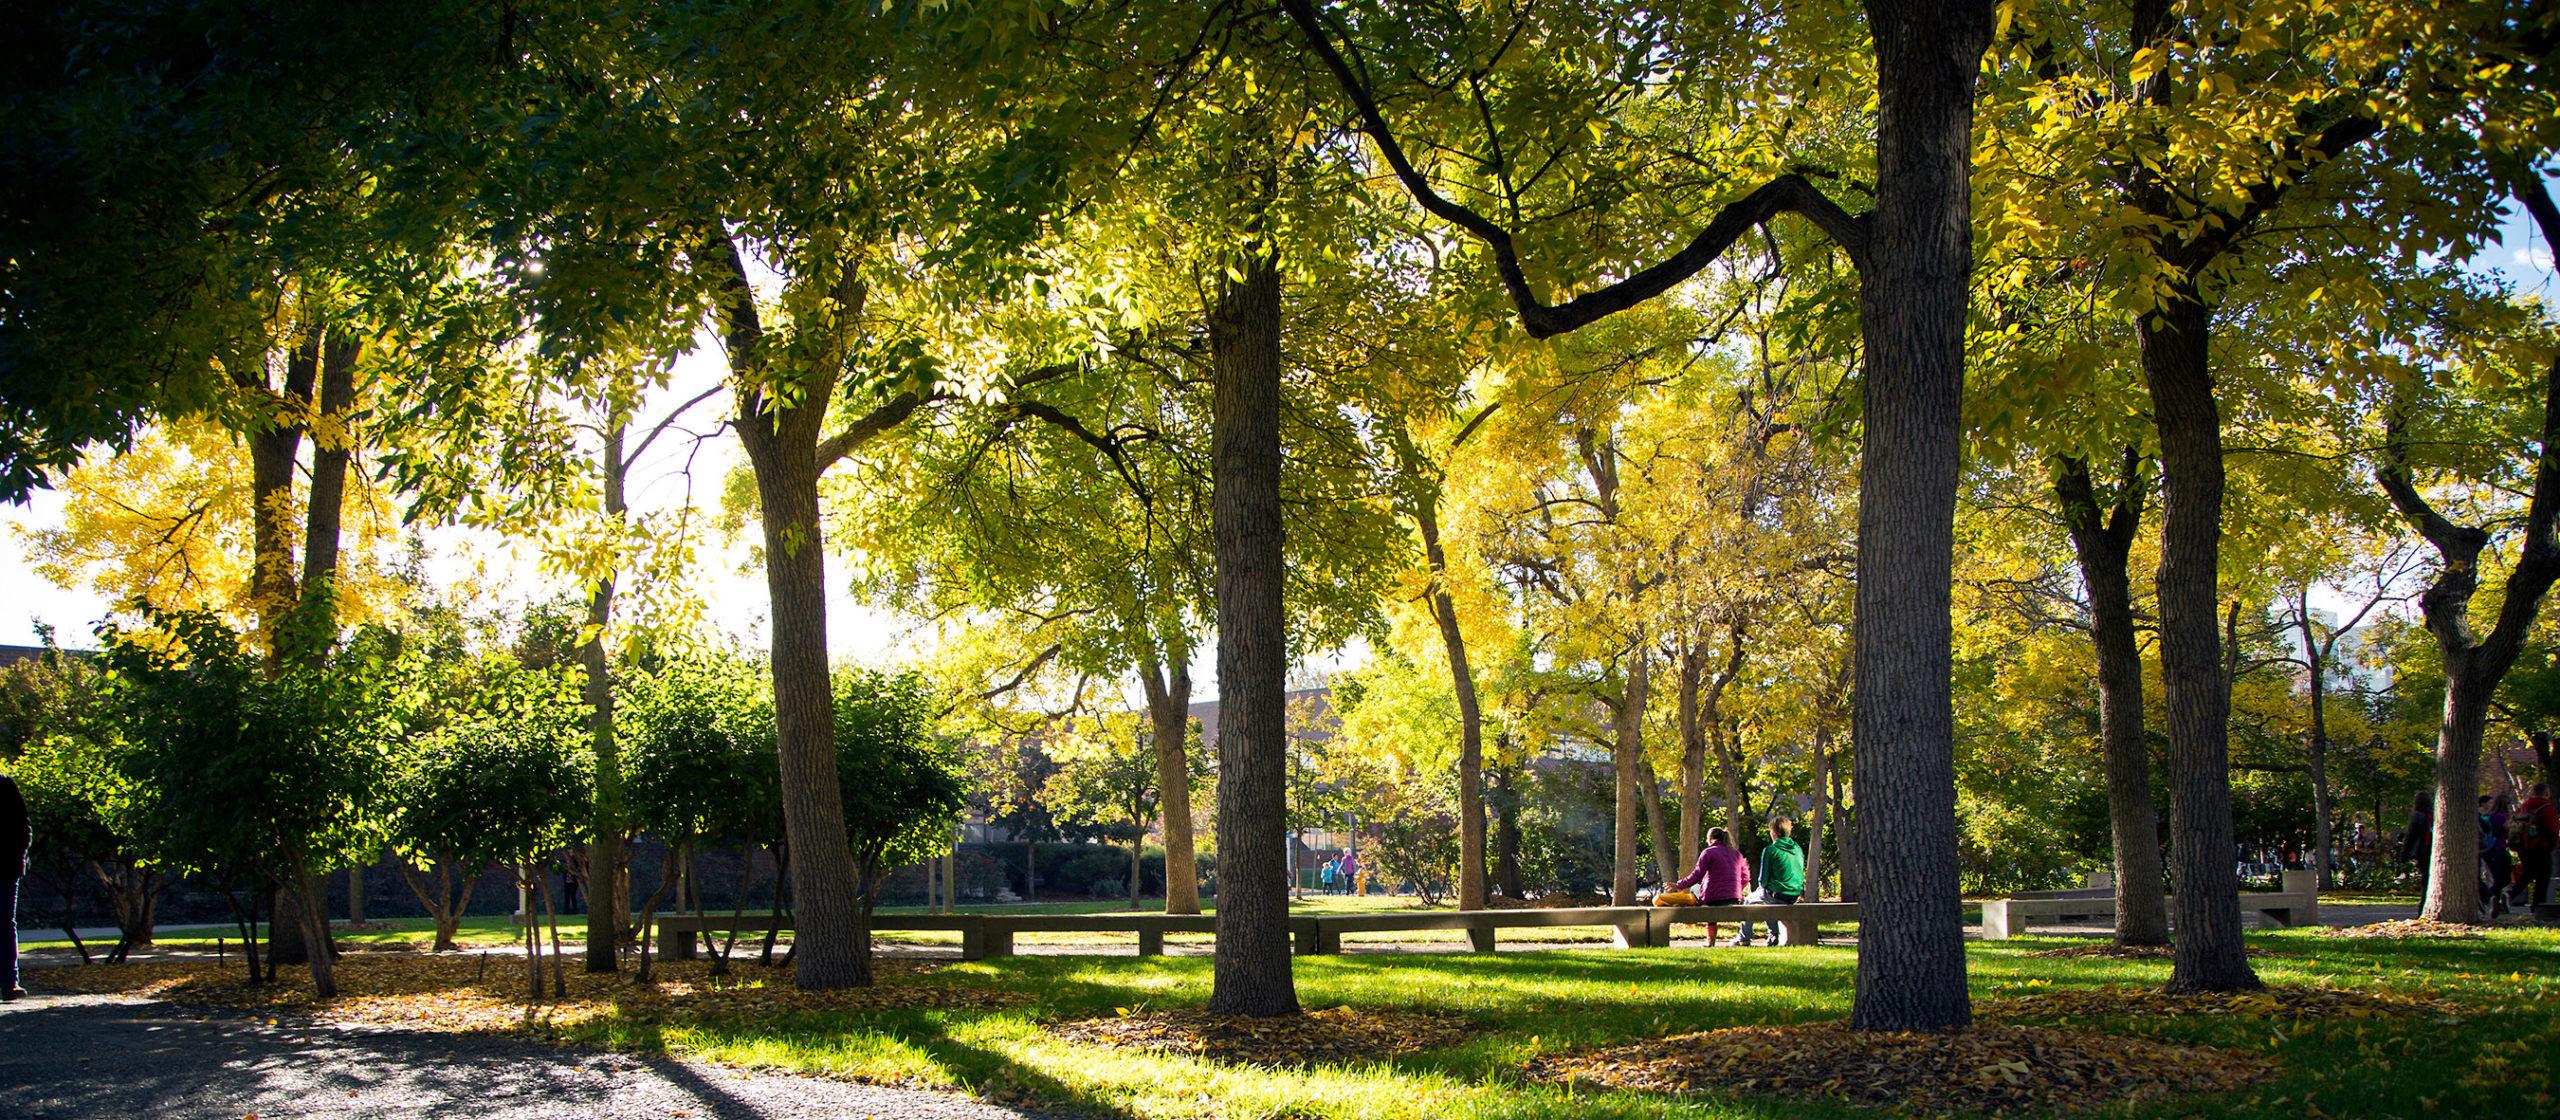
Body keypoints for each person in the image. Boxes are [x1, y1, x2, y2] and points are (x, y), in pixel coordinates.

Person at [1668, 827, 1752, 945]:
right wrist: (1736, 889)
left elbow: (1697, 875)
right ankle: (1708, 937)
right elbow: (1746, 877)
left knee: (1694, 889)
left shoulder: (1708, 852)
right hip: (1733, 897)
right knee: (1708, 892)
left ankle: (1709, 939)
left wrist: (1678, 885)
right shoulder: (1736, 854)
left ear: (1710, 839)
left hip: (1713, 898)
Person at [1739, 818, 1807, 947]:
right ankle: (1773, 935)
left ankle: (1744, 939)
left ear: (1774, 832)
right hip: (1794, 894)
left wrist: (1762, 888)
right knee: (1765, 897)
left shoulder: (1770, 849)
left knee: (1750, 900)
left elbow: (1763, 881)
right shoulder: (1797, 848)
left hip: (1778, 893)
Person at [3, 768, 29, 1001]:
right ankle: (10, 981)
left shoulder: (5, 786)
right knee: (5, 924)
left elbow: (22, 827)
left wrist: (17, 856)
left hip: (5, 868)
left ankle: (10, 981)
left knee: (4, 923)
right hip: (8, 866)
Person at [2515, 783, 2558, 908]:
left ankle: (2510, 894)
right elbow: (2552, 829)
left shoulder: (2523, 807)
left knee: (2529, 873)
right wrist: (2553, 844)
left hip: (2523, 846)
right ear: (2546, 793)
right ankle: (2538, 905)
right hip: (2541, 846)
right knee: (2543, 876)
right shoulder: (2547, 808)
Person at [2481, 795, 2513, 919]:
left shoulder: (2489, 816)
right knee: (2504, 878)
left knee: (2498, 877)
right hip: (2499, 848)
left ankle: (2495, 902)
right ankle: (2490, 897)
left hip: (2489, 850)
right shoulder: (2502, 817)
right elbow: (2508, 831)